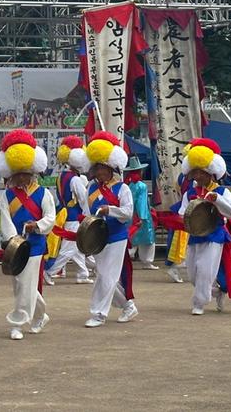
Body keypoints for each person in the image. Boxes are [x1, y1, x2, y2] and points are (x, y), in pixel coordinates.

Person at [0, 130, 56, 340]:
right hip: (16, 245)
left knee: (24, 283)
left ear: (32, 172)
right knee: (22, 284)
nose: (21, 177)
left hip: (35, 245)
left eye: (25, 173)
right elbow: (6, 219)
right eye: (17, 173)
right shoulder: (8, 195)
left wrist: (36, 225)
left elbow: (50, 217)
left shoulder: (43, 193)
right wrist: (13, 239)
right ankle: (40, 315)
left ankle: (18, 323)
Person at [177, 139, 231, 315]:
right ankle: (217, 292)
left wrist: (217, 200)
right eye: (195, 172)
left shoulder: (222, 191)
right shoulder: (190, 193)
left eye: (202, 172)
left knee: (205, 271)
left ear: (211, 172)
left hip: (215, 235)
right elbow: (182, 213)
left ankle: (199, 304)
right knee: (193, 275)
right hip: (195, 236)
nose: (198, 176)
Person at [82, 131, 137, 327]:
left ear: (112, 168)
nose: (100, 172)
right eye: (97, 168)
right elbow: (86, 213)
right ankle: (128, 305)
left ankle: (98, 314)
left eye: (103, 168)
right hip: (98, 238)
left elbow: (128, 213)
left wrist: (110, 210)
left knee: (107, 276)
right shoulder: (90, 188)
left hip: (117, 237)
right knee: (104, 276)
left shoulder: (122, 188)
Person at [46, 136, 92, 284]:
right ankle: (49, 271)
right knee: (69, 248)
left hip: (66, 213)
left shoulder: (61, 176)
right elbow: (83, 199)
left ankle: (83, 274)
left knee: (76, 246)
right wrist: (87, 216)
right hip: (74, 216)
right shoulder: (75, 179)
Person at [127, 156, 158, 270]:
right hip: (141, 215)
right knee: (148, 238)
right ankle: (147, 261)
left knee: (133, 237)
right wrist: (142, 217)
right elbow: (141, 202)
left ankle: (128, 256)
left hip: (131, 215)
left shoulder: (130, 185)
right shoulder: (142, 186)